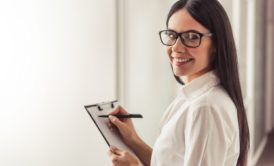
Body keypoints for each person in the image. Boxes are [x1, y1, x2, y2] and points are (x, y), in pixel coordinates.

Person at [107, 0, 250, 165]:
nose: (176, 47)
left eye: (191, 37)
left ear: (217, 44)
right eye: (172, 35)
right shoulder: (193, 96)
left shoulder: (206, 107)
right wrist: (133, 139)